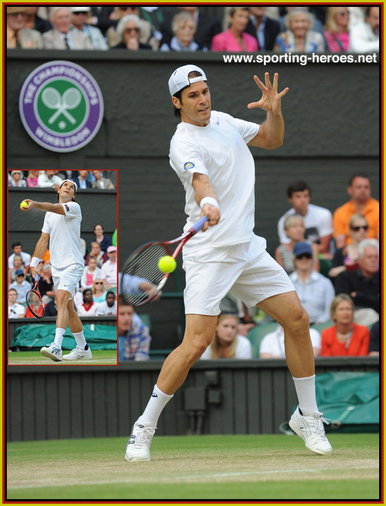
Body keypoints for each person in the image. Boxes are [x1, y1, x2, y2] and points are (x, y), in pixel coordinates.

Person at [124, 64, 332, 463]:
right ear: (177, 102)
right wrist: (209, 203)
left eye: (205, 91)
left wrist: (274, 111)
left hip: (247, 249)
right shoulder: (182, 142)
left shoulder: (223, 120)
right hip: (209, 253)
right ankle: (143, 427)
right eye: (193, 95)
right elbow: (201, 182)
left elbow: (271, 139)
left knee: (297, 319)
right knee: (196, 343)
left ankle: (307, 417)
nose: (203, 100)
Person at [20, 179, 92, 362]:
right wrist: (35, 262)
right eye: (65, 185)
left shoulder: (74, 207)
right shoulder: (49, 216)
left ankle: (56, 347)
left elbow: (53, 207)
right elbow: (44, 239)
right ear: (59, 189)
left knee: (60, 299)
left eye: (71, 187)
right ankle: (83, 348)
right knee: (68, 307)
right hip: (57, 267)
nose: (68, 188)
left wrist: (34, 204)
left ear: (73, 194)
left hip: (73, 264)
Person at [277, 181, 333, 256]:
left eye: (305, 196)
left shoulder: (324, 214)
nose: (302, 200)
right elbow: (286, 249)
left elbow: (325, 247)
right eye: (298, 196)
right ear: (290, 199)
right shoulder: (284, 221)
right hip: (295, 259)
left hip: (320, 256)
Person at [334, 239, 379, 325]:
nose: (374, 260)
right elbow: (342, 303)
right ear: (359, 260)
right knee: (370, 314)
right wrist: (374, 301)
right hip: (351, 319)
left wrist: (359, 296)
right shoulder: (345, 277)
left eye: (376, 257)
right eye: (369, 257)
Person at [289, 242, 335, 324]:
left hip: (318, 326)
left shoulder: (325, 283)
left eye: (307, 256)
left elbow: (330, 311)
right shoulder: (287, 283)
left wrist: (319, 323)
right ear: (294, 259)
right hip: (292, 327)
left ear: (313, 258)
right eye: (300, 256)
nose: (304, 259)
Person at [333, 173, 379, 249]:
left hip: (374, 255)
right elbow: (340, 245)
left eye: (366, 187)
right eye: (359, 187)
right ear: (350, 190)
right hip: (349, 255)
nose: (363, 190)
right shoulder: (340, 213)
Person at [329, 214, 369, 281]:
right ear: (350, 230)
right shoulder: (341, 252)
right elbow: (332, 273)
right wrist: (349, 267)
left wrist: (348, 268)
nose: (362, 231)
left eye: (365, 227)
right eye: (357, 228)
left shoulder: (374, 250)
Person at [119, 297, 151, 361]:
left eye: (129, 314)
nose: (127, 318)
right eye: (122, 314)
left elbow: (141, 358)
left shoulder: (141, 330)